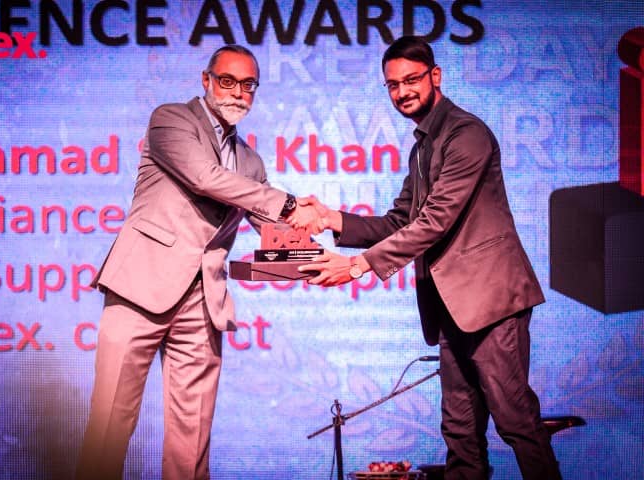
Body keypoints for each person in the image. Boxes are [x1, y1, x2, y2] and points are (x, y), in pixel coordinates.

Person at [295, 37, 562, 480]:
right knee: (459, 430)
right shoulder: (423, 146)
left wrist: (358, 266)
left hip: (491, 303)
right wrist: (330, 219)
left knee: (516, 422)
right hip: (451, 308)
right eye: (392, 85)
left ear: (435, 76)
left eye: (411, 80)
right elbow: (401, 220)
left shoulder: (467, 135)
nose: (402, 92)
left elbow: (435, 221)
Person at [76, 44, 316, 480]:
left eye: (248, 85)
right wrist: (288, 203)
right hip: (140, 288)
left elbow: (273, 229)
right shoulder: (170, 119)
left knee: (193, 439)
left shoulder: (251, 161)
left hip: (203, 302)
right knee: (110, 425)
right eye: (228, 81)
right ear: (206, 81)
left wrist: (326, 253)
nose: (238, 93)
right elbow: (206, 178)